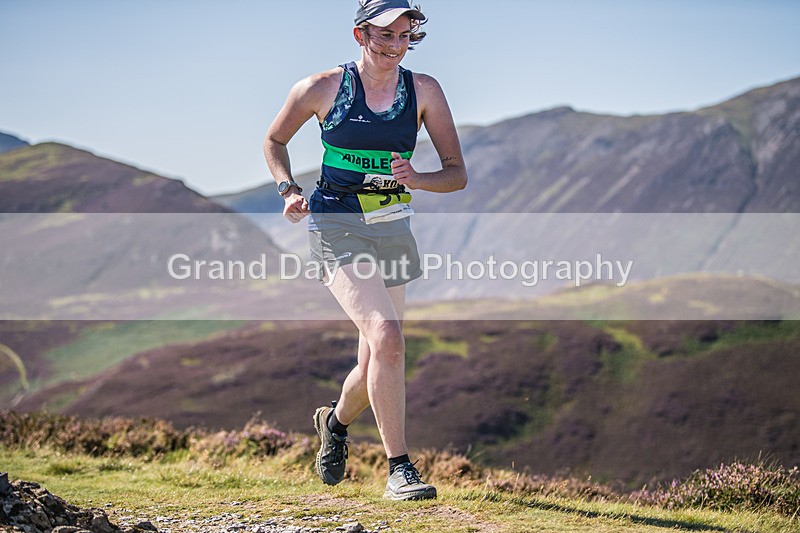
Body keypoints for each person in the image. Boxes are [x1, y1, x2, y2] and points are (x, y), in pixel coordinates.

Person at [263, 0, 467, 501]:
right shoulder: (320, 88)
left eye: (404, 37)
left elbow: (456, 174)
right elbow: (274, 140)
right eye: (384, 36)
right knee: (388, 337)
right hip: (336, 222)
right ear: (360, 35)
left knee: (377, 355)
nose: (395, 47)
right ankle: (399, 469)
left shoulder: (424, 91)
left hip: (392, 225)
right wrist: (289, 189)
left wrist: (418, 179)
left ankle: (332, 422)